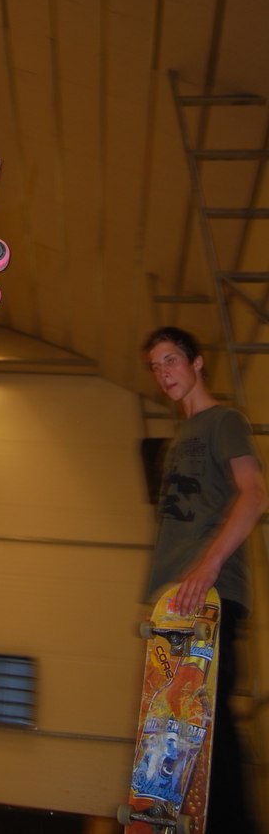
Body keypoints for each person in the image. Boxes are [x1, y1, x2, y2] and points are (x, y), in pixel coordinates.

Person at [143, 325, 268, 834]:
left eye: (171, 360)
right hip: (173, 602)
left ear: (197, 363)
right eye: (155, 367)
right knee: (174, 732)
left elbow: (255, 494)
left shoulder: (224, 421)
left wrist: (208, 566)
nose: (163, 373)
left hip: (208, 597)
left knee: (207, 729)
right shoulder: (179, 441)